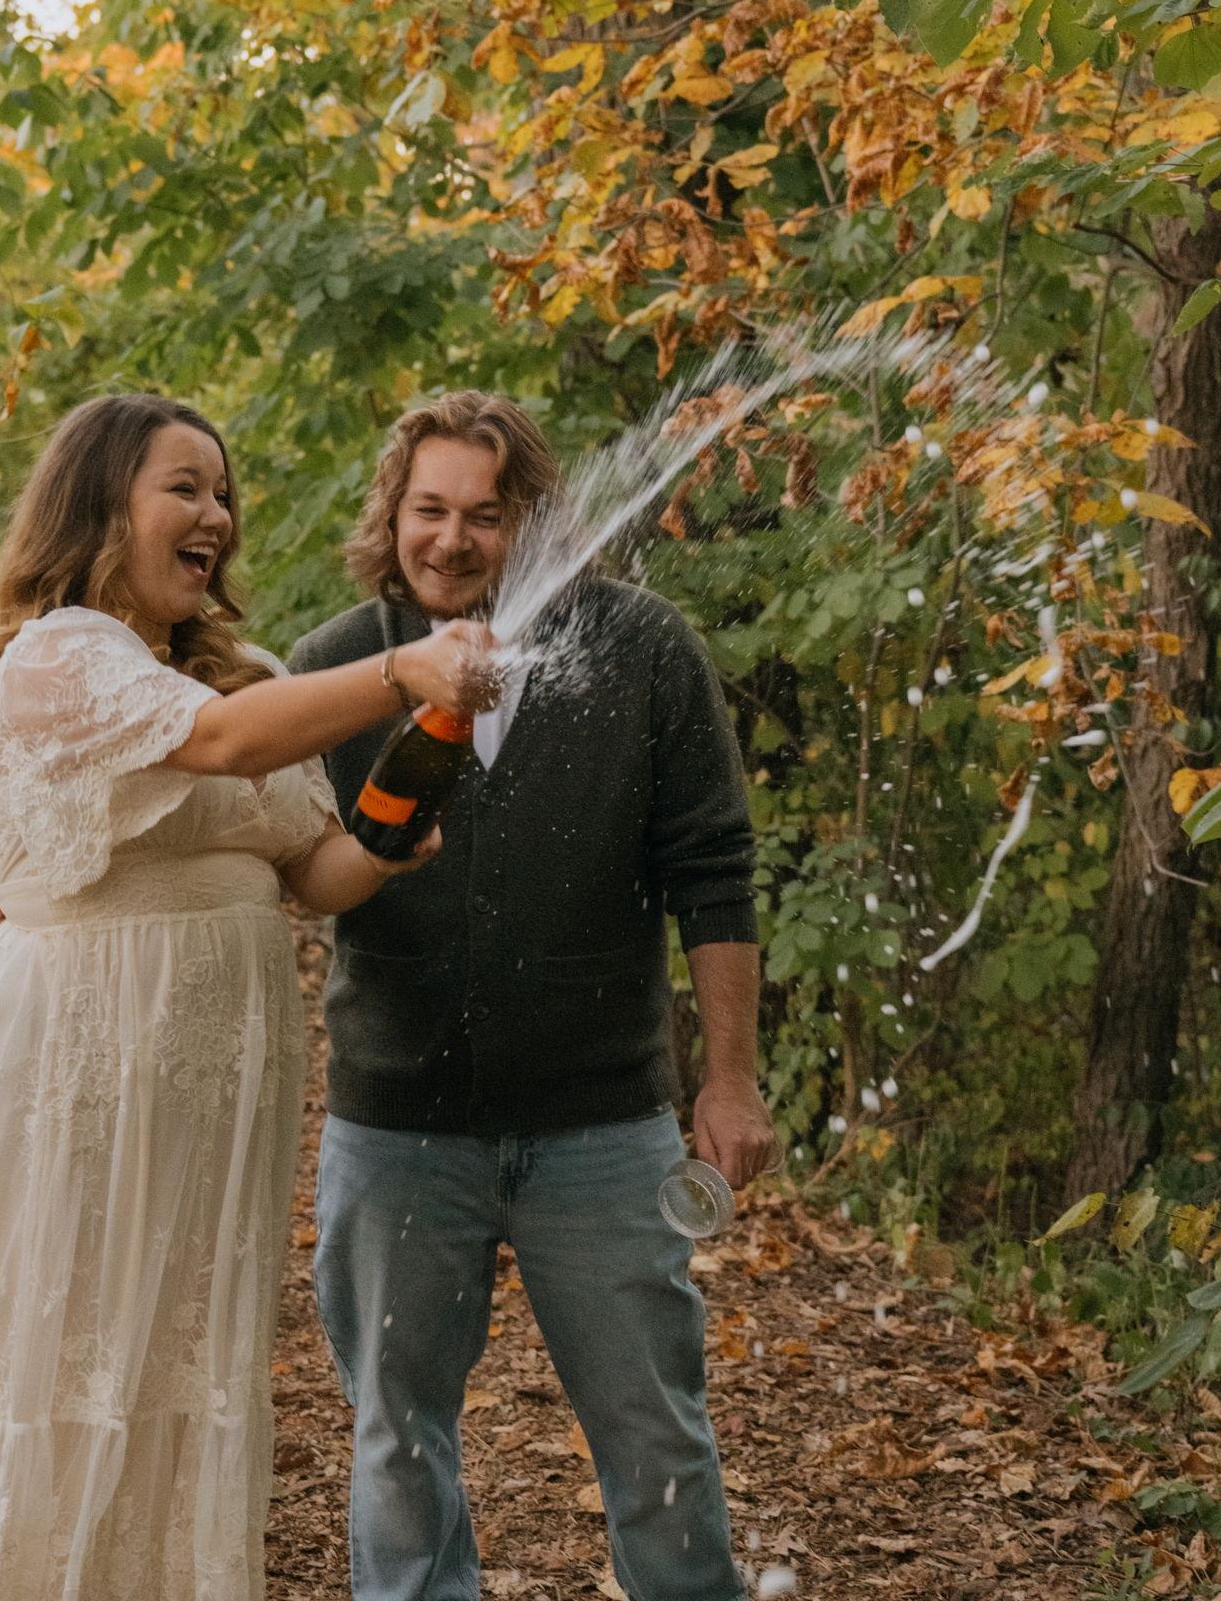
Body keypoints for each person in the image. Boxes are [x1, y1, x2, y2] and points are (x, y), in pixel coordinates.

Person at [0, 392, 493, 1601]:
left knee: (167, 1378)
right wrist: (401, 669)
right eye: (184, 487)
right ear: (97, 505)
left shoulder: (244, 673)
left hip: (206, 1088)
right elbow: (224, 745)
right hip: (78, 1062)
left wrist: (390, 842)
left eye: (221, 492)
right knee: (52, 1366)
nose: (214, 514)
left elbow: (313, 877)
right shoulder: (61, 654)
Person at [288, 390, 775, 1601]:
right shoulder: (333, 667)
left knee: (655, 1433)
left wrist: (728, 1078)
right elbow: (247, 837)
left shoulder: (639, 649)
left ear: (538, 522)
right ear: (391, 515)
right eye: (427, 509)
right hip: (395, 1125)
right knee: (396, 1438)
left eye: (484, 514)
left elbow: (712, 869)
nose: (449, 539)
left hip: (600, 1124)